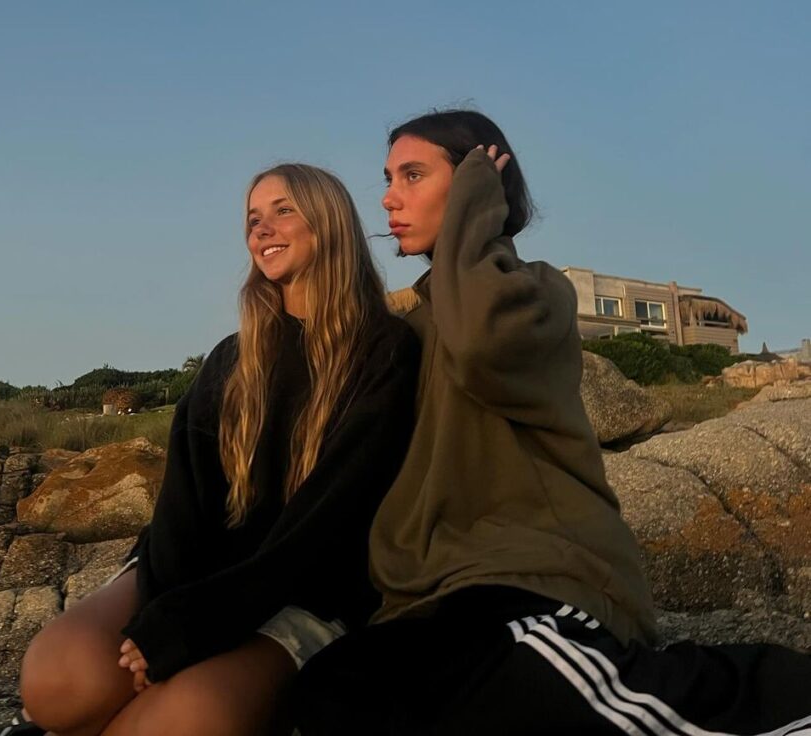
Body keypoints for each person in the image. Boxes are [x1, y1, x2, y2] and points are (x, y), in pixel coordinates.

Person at [295, 109, 811, 736]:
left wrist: (475, 214)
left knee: (521, 680)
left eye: (413, 175)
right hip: (436, 598)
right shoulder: (409, 328)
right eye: (388, 178)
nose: (388, 197)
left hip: (540, 576)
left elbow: (481, 346)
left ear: (479, 184)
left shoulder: (534, 293)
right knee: (333, 689)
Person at [0, 163, 419, 736]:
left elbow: (327, 523)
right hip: (196, 569)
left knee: (178, 722)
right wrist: (162, 610)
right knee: (58, 683)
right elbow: (184, 498)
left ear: (328, 222)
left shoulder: (385, 352)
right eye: (253, 219)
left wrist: (197, 625)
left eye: (283, 211)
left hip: (304, 589)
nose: (262, 229)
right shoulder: (234, 356)